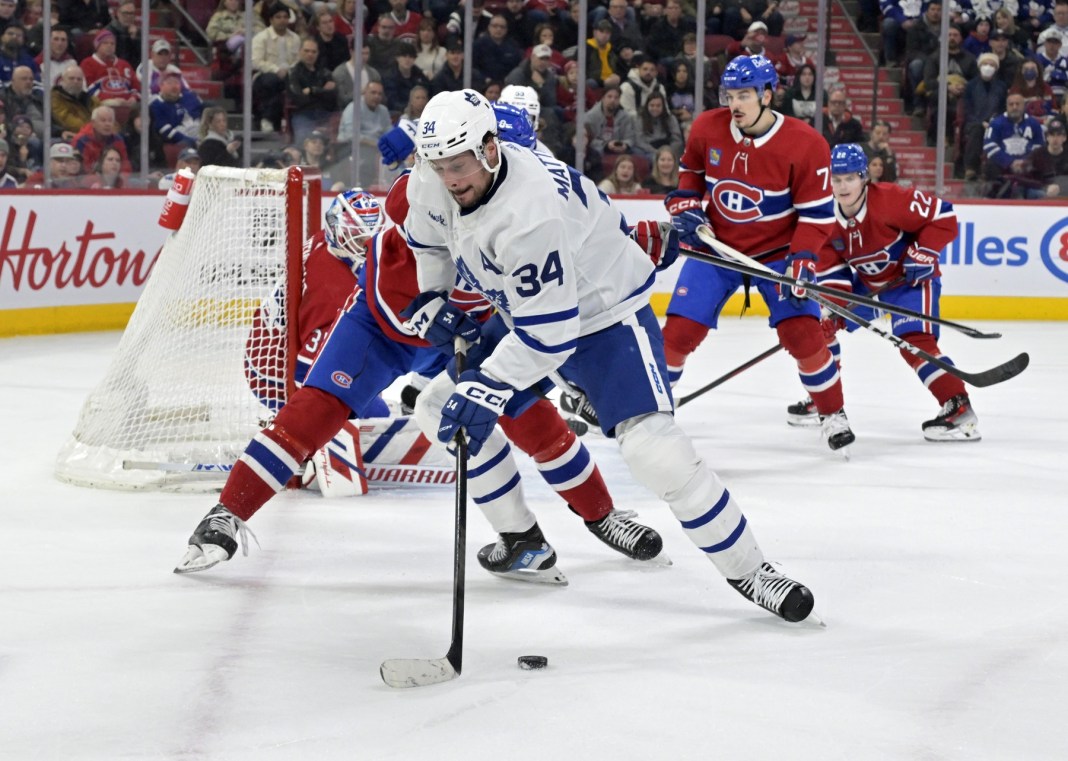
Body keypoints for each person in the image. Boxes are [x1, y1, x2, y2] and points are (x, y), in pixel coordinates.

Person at [400, 87, 816, 623]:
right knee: (438, 407)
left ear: (489, 149)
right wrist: (435, 297)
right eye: (438, 165)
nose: (449, 178)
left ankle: (752, 569)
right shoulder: (432, 179)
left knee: (653, 451)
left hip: (603, 317)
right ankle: (523, 539)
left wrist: (489, 385)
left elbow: (550, 332)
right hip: (524, 313)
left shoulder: (531, 211)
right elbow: (429, 242)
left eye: (458, 164)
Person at [175, 185, 665, 580]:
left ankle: (593, 519)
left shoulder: (519, 204)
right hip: (383, 329)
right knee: (314, 410)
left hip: (466, 330)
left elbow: (554, 285)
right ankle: (227, 514)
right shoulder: (418, 209)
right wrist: (429, 311)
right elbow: (393, 285)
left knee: (527, 413)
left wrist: (628, 241)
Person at [661, 54, 854, 453]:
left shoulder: (806, 144)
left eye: (745, 94)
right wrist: (685, 203)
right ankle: (654, 415)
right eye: (730, 95)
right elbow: (691, 175)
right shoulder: (707, 127)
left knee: (802, 336)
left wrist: (803, 258)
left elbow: (816, 216)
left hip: (777, 256)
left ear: (768, 95)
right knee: (678, 333)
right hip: (715, 249)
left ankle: (832, 413)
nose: (735, 104)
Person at [802, 143, 979, 442]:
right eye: (836, 178)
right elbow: (834, 274)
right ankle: (824, 399)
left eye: (849, 178)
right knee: (820, 327)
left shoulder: (891, 200)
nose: (842, 186)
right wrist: (834, 309)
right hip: (869, 286)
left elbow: (944, 216)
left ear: (864, 178)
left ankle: (958, 407)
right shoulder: (824, 217)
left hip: (908, 280)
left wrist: (924, 253)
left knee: (913, 340)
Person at [982, 92, 1045, 198]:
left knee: (1040, 164)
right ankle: (997, 195)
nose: (1014, 107)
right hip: (1002, 166)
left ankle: (1031, 192)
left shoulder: (1034, 123)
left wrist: (1025, 161)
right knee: (990, 165)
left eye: (1017, 104)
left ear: (1024, 106)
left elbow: (1039, 146)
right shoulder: (996, 123)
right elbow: (989, 146)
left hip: (1027, 166)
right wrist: (1009, 162)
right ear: (1006, 106)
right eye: (1011, 104)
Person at [251, 2, 301, 132]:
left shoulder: (295, 38)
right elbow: (256, 62)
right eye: (278, 17)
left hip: (290, 75)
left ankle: (267, 118)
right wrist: (276, 70)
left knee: (288, 83)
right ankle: (271, 119)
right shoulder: (261, 38)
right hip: (265, 75)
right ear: (271, 19)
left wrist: (289, 71)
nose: (282, 20)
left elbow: (298, 61)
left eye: (285, 17)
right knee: (273, 81)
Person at [286, 36, 338, 144]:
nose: (310, 54)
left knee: (337, 144)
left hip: (325, 114)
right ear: (300, 52)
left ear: (318, 53)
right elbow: (300, 99)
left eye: (313, 52)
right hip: (304, 115)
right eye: (306, 51)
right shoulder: (293, 73)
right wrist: (323, 92)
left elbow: (334, 96)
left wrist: (312, 90)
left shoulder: (325, 72)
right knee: (304, 143)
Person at [80, 28, 140, 108]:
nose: (109, 46)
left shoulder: (124, 64)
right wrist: (113, 99)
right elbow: (88, 89)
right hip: (101, 105)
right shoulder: (87, 63)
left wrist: (133, 98)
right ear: (97, 46)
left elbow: (136, 86)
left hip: (128, 104)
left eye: (112, 44)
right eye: (105, 43)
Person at [73, 104, 132, 175]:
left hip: (114, 181)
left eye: (110, 121)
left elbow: (125, 165)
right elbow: (79, 170)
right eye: (103, 120)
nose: (107, 124)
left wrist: (122, 181)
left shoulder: (118, 139)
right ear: (93, 123)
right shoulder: (81, 141)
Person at [149, 70, 203, 147]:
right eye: (170, 83)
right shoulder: (156, 105)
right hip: (182, 140)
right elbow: (166, 131)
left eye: (177, 83)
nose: (174, 86)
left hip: (200, 131)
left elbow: (207, 112)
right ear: (161, 86)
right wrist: (192, 141)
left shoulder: (190, 96)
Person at [1025, 117, 1068, 196]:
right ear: (1047, 137)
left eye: (1058, 135)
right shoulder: (1037, 154)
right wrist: (1045, 187)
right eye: (1052, 135)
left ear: (1064, 138)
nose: (1055, 139)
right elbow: (1026, 178)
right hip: (1042, 194)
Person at [634, 91, 683, 159]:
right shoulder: (640, 119)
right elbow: (639, 141)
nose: (655, 108)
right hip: (649, 150)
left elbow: (677, 139)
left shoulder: (670, 118)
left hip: (667, 148)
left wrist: (668, 151)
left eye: (658, 106)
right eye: (652, 105)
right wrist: (656, 152)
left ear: (663, 106)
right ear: (647, 106)